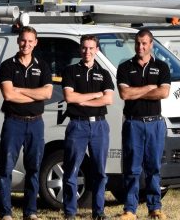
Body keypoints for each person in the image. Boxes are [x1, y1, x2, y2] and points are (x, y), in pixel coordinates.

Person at [0, 26, 54, 220]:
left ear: (36, 43)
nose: (26, 44)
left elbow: (46, 94)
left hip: (36, 124)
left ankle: (30, 211)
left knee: (34, 168)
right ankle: (5, 212)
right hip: (13, 123)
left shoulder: (43, 66)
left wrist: (20, 91)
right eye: (23, 40)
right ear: (18, 41)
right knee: (6, 168)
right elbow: (8, 95)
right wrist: (33, 94)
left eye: (30, 41)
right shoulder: (7, 66)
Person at [116, 28, 170, 220]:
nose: (140, 46)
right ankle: (130, 209)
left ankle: (155, 208)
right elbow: (125, 94)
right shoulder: (125, 67)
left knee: (153, 167)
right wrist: (148, 88)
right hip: (133, 124)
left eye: (144, 43)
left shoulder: (162, 67)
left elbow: (163, 93)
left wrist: (136, 91)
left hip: (155, 124)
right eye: (138, 43)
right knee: (132, 168)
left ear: (151, 44)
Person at [61, 34, 115, 220]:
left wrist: (83, 99)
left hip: (99, 126)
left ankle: (98, 212)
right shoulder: (70, 71)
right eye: (84, 48)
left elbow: (108, 99)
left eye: (91, 48)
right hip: (78, 125)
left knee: (100, 171)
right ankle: (70, 212)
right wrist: (95, 95)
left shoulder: (104, 73)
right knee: (71, 170)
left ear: (97, 50)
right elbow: (70, 98)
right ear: (80, 49)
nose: (87, 51)